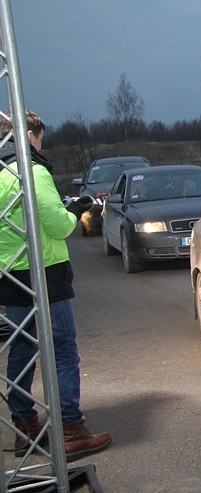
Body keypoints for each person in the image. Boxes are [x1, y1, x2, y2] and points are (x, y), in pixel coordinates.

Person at [0, 110, 112, 460]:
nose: (40, 143)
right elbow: (59, 226)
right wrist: (74, 211)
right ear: (30, 135)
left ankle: (25, 426)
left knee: (21, 350)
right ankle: (70, 430)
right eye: (40, 138)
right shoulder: (33, 172)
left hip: (10, 275)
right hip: (46, 273)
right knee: (62, 351)